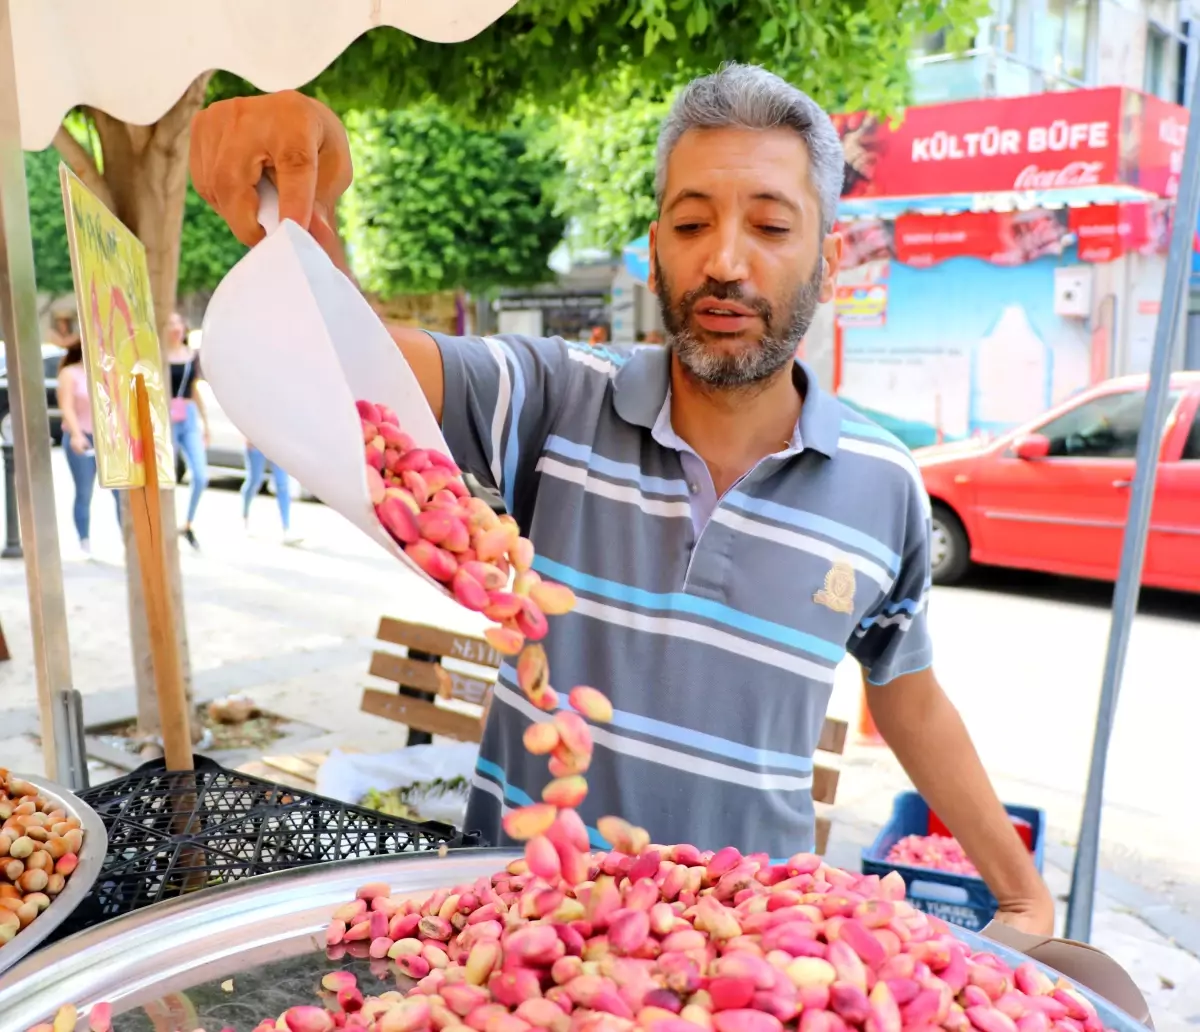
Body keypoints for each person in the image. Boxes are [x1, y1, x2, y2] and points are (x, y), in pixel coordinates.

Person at [191, 64, 1054, 934]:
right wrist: (300, 219)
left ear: (828, 258)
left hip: (744, 950)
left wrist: (1020, 892)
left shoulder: (884, 480)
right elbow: (356, 362)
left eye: (770, 225)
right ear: (654, 248)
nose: (723, 262)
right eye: (691, 223)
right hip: (525, 936)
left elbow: (908, 691)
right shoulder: (556, 399)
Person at [165, 312, 210, 549]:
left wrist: (205, 423)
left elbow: (194, 389)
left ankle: (188, 523)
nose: (175, 328)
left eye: (178, 322)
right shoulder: (159, 356)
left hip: (188, 416)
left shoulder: (192, 356)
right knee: (168, 474)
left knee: (201, 476)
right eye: (170, 323)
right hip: (166, 416)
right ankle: (167, 523)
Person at [56, 343, 98, 555]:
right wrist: (76, 434)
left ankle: (127, 539)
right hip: (81, 435)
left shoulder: (107, 372)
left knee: (121, 491)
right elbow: (67, 406)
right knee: (84, 491)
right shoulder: (70, 373)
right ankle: (84, 539)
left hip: (106, 439)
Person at [242, 440, 300, 543]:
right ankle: (245, 516)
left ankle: (286, 528)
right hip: (257, 440)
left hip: (278, 444)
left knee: (282, 484)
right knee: (254, 481)